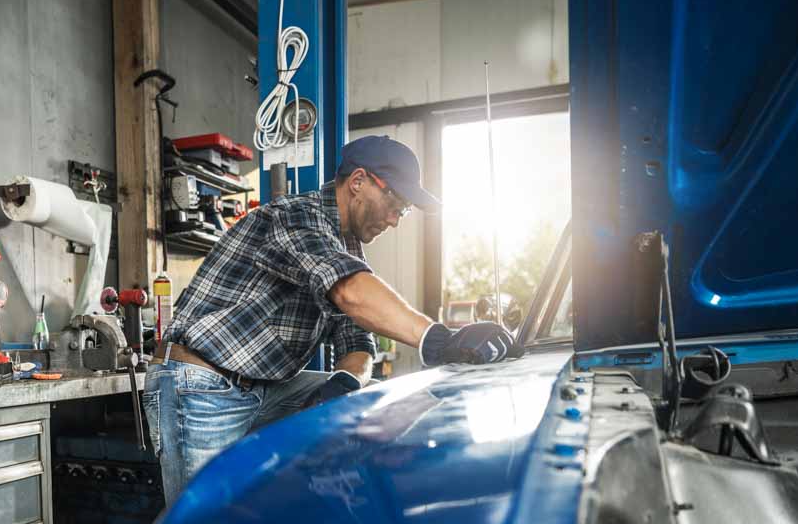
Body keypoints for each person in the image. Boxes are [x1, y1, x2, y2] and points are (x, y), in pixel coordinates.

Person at [144, 135, 518, 503]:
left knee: (365, 403)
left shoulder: (346, 246)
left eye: (402, 210)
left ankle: (337, 510)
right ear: (358, 182)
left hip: (260, 387)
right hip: (200, 385)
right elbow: (350, 292)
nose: (395, 219)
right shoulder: (293, 217)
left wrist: (345, 380)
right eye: (395, 202)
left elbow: (358, 340)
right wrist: (439, 339)